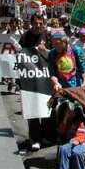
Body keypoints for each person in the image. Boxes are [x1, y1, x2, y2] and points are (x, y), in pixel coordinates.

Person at [19, 14, 48, 151]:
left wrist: (45, 50)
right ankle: (35, 138)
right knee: (33, 108)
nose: (39, 25)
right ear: (31, 23)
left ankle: (47, 136)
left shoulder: (47, 35)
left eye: (41, 23)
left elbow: (55, 52)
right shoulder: (25, 37)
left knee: (48, 106)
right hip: (30, 78)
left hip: (46, 76)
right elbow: (20, 54)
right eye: (36, 23)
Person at [56, 100, 85, 169]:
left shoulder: (80, 121)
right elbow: (60, 131)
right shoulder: (65, 121)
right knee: (63, 149)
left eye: (71, 111)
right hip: (69, 142)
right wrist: (65, 119)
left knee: (76, 153)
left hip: (80, 142)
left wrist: (78, 140)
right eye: (68, 111)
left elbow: (84, 135)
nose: (70, 113)